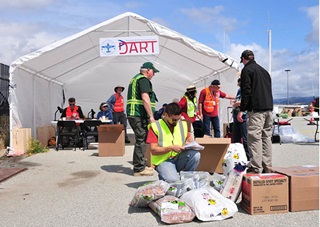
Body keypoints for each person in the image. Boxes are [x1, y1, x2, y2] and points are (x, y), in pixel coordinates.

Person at [237, 50, 273, 174]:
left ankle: (256, 167)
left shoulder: (247, 70)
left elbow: (246, 91)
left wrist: (242, 109)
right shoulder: (264, 71)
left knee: (254, 137)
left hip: (256, 109)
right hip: (268, 109)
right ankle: (268, 166)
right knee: (266, 137)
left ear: (243, 59)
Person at [146, 102, 200, 183]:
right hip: (163, 160)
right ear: (166, 115)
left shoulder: (182, 125)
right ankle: (166, 176)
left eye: (178, 119)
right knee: (173, 181)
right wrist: (171, 148)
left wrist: (189, 144)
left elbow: (190, 140)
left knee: (196, 155)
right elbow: (153, 150)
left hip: (179, 157)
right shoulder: (156, 126)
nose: (176, 122)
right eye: (174, 120)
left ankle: (187, 178)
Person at [126, 62, 159, 176]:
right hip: (138, 114)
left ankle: (141, 165)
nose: (153, 74)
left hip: (134, 113)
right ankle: (139, 169)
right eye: (153, 72)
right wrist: (151, 116)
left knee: (142, 138)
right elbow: (145, 98)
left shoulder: (135, 79)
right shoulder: (143, 80)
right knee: (141, 139)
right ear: (148, 70)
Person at [230, 78, 250, 160]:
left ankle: (248, 158)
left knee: (245, 139)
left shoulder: (247, 90)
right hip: (236, 113)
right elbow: (237, 100)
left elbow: (246, 101)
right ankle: (237, 157)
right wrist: (234, 102)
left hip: (244, 115)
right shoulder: (239, 90)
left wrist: (238, 103)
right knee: (236, 138)